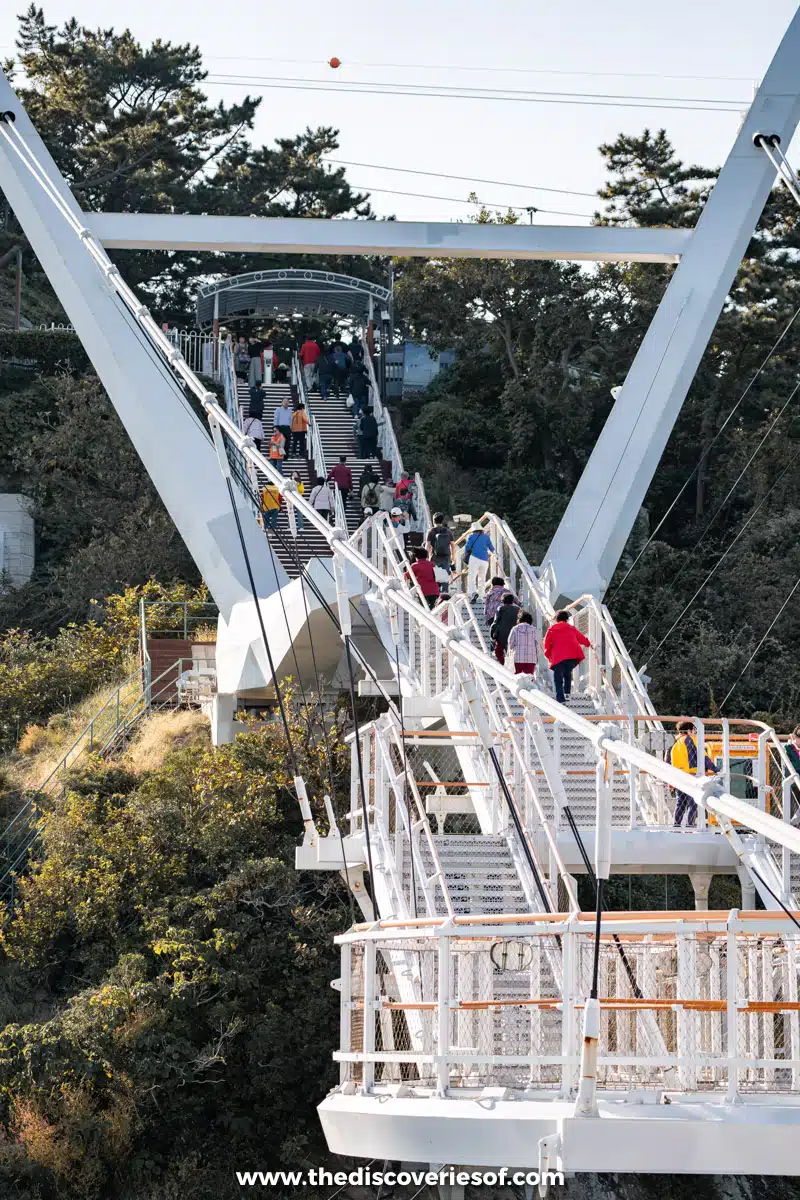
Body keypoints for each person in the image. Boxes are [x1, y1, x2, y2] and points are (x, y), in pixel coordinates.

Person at [670, 719, 718, 828]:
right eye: (694, 730)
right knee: (693, 803)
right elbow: (703, 756)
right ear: (689, 730)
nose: (695, 732)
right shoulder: (691, 740)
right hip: (692, 776)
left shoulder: (675, 744)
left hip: (678, 777)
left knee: (681, 803)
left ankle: (676, 825)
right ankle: (690, 825)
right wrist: (715, 768)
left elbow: (668, 760)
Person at [543, 610, 591, 704]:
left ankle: (560, 699)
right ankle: (567, 694)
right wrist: (589, 644)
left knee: (558, 677)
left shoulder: (552, 629)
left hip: (558, 656)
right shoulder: (571, 628)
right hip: (572, 655)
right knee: (567, 673)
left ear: (556, 619)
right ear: (567, 619)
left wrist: (547, 653)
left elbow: (546, 644)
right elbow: (581, 638)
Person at [463, 522, 494, 601]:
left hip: (475, 558)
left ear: (473, 530)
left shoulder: (471, 536)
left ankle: (472, 594)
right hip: (485, 560)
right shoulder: (486, 536)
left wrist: (467, 539)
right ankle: (482, 595)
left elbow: (467, 548)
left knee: (472, 577)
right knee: (482, 578)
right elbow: (491, 548)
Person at [490, 593, 522, 665]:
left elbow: (495, 623)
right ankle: (511, 666)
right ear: (512, 601)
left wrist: (492, 635)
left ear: (503, 601)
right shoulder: (518, 609)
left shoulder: (500, 609)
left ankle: (504, 665)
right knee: (512, 653)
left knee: (498, 652)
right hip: (515, 635)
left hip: (501, 635)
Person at [507, 611, 539, 675]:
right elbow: (538, 645)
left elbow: (510, 643)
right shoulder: (534, 630)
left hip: (518, 658)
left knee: (518, 679)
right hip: (531, 659)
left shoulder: (515, 629)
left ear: (520, 619)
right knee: (529, 679)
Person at [427, 514, 455, 584]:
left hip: (435, 557)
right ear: (442, 521)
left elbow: (427, 546)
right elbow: (452, 545)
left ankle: (436, 593)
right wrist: (453, 557)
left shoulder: (431, 531)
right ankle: (444, 593)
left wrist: (427, 557)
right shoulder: (448, 531)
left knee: (434, 577)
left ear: (433, 521)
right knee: (445, 578)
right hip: (446, 557)